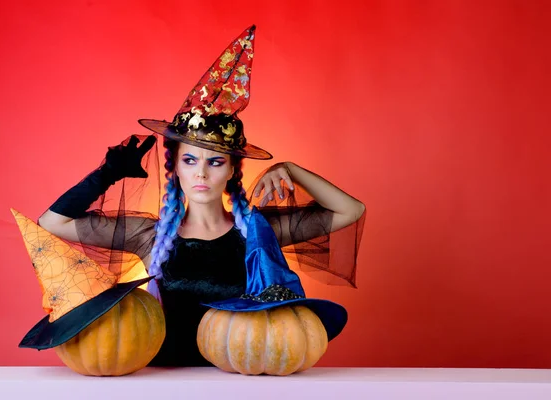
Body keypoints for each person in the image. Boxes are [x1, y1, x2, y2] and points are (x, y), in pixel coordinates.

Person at [36, 25, 366, 367]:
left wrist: (292, 169)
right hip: (165, 377)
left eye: (216, 162)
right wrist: (106, 174)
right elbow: (51, 223)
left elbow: (350, 210)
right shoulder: (147, 236)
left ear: (232, 170)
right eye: (190, 160)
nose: (202, 173)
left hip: (241, 374)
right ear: (175, 168)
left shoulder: (259, 231)